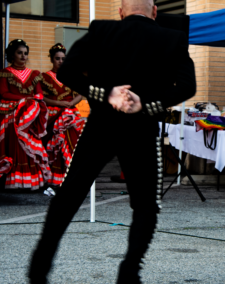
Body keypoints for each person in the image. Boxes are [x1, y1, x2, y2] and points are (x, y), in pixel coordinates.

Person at [28, 0, 196, 283]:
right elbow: (187, 86)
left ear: (120, 11)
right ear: (155, 12)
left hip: (101, 124)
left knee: (70, 194)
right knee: (145, 204)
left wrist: (105, 94)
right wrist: (146, 104)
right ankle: (129, 271)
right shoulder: (172, 37)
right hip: (140, 128)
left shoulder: (101, 29)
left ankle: (39, 267)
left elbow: (66, 71)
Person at [0, 39, 50, 190]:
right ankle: (13, 180)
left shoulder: (34, 74)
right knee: (15, 144)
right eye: (19, 53)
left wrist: (31, 101)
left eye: (25, 53)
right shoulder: (5, 73)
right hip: (13, 114)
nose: (23, 56)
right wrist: (25, 100)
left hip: (29, 115)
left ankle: (29, 181)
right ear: (12, 55)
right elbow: (3, 93)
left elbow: (39, 95)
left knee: (28, 145)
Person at [40, 43, 84, 187]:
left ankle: (72, 174)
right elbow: (41, 97)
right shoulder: (44, 77)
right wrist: (59, 104)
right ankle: (55, 176)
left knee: (73, 141)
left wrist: (71, 104)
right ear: (52, 59)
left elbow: (80, 94)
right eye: (57, 58)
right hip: (53, 112)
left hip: (69, 112)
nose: (60, 61)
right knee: (55, 143)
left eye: (63, 59)